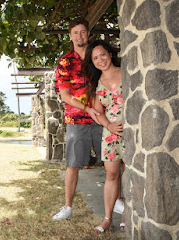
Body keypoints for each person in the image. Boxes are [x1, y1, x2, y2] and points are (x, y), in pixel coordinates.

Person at [52, 18, 103, 221]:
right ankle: (68, 207)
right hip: (76, 119)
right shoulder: (65, 62)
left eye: (83, 32)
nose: (79, 36)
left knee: (113, 162)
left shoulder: (98, 56)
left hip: (102, 116)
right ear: (70, 36)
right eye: (76, 33)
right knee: (73, 164)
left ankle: (118, 201)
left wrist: (96, 110)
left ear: (88, 34)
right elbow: (65, 95)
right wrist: (87, 109)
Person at [81, 40, 125, 233]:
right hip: (111, 135)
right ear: (92, 62)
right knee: (112, 175)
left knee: (131, 174)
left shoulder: (127, 72)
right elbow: (98, 113)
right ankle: (107, 219)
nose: (101, 60)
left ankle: (127, 217)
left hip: (134, 131)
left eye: (103, 55)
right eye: (95, 58)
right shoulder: (96, 84)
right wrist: (108, 125)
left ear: (110, 53)